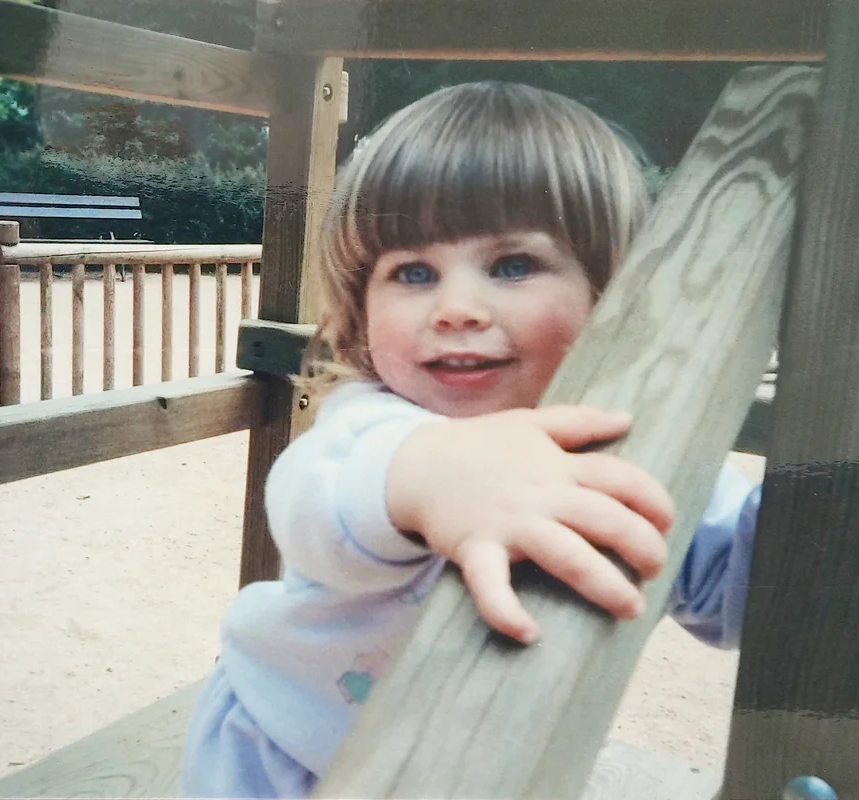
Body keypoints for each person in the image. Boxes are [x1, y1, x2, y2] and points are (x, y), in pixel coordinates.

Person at [179, 81, 760, 799]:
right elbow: (309, 498)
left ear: (610, 289)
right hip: (282, 747)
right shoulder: (375, 422)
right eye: (413, 273)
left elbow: (732, 587)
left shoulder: (631, 449)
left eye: (512, 265)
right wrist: (431, 477)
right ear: (361, 309)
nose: (455, 309)